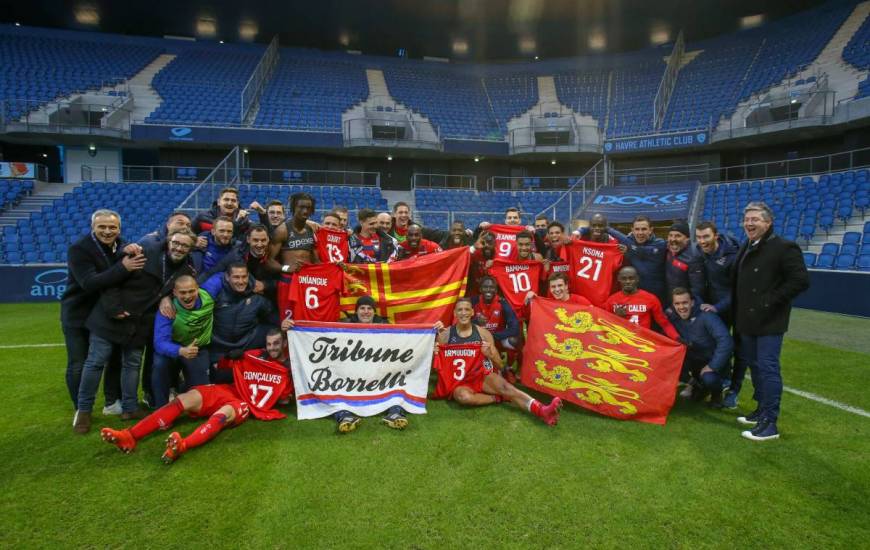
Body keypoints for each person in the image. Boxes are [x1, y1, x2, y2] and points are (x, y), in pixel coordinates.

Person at [74, 228, 198, 434]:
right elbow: (111, 281)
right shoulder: (143, 252)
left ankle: (130, 408)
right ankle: (84, 411)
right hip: (111, 316)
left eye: (184, 245)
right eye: (176, 243)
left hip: (140, 322)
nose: (179, 247)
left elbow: (171, 290)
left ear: (190, 249)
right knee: (96, 362)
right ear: (168, 241)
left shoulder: (186, 269)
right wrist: (113, 308)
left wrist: (164, 297)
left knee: (132, 364)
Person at [732, 202, 809, 441]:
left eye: (755, 219)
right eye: (746, 220)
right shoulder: (746, 245)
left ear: (768, 222)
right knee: (755, 368)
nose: (749, 223)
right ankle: (761, 411)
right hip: (747, 321)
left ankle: (770, 424)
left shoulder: (785, 247)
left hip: (769, 322)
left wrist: (768, 302)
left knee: (768, 369)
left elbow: (800, 281)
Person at [62, 210, 143, 414]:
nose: (107, 231)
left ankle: (111, 402)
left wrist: (128, 249)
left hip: (106, 314)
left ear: (119, 229)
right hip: (78, 314)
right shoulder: (79, 249)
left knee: (113, 359)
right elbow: (89, 283)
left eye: (112, 227)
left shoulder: (120, 245)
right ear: (93, 228)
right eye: (102, 227)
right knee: (79, 362)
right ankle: (80, 408)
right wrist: (123, 268)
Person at [434, 298, 562, 426]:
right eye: (460, 310)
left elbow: (500, 365)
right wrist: (435, 353)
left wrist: (490, 354)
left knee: (506, 387)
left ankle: (542, 410)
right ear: (455, 313)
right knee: (463, 397)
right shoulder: (445, 336)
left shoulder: (483, 334)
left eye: (467, 309)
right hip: (460, 381)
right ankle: (496, 398)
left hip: (481, 375)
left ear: (472, 312)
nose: (464, 313)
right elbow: (437, 367)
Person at [152, 275, 214, 408]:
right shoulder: (167, 309)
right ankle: (161, 408)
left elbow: (222, 274)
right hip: (175, 348)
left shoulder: (209, 295)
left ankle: (180, 389)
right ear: (174, 292)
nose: (187, 296)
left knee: (202, 396)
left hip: (197, 349)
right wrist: (180, 350)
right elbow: (159, 343)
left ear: (197, 289)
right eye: (183, 292)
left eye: (191, 291)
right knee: (159, 364)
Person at [667, 288, 733, 408]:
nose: (681, 307)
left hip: (712, 363)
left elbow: (726, 341)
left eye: (685, 302)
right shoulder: (673, 317)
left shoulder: (706, 316)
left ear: (692, 302)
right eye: (677, 303)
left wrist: (713, 366)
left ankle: (716, 396)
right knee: (669, 365)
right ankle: (697, 386)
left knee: (709, 378)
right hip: (693, 363)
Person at [603, 267, 679, 340]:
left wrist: (677, 338)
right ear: (619, 279)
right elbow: (605, 325)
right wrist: (616, 317)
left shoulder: (650, 299)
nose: (628, 281)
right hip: (622, 342)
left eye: (631, 278)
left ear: (637, 279)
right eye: (624, 278)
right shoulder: (611, 300)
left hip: (642, 342)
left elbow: (664, 323)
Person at [605, 215, 668, 304]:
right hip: (635, 297)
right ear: (632, 230)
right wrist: (580, 231)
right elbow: (598, 227)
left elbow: (639, 250)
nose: (640, 232)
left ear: (650, 230)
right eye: (637, 229)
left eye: (644, 229)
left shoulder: (660, 244)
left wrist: (629, 251)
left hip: (658, 298)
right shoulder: (629, 242)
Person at [470, 276, 521, 373]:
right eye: (485, 287)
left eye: (491, 287)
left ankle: (509, 366)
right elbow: (461, 323)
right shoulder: (473, 302)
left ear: (496, 290)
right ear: (480, 289)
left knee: (514, 340)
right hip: (478, 340)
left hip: (497, 338)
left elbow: (515, 328)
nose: (488, 290)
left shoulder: (503, 303)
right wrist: (476, 321)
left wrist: (493, 336)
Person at [268, 192, 317, 275]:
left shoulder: (312, 229)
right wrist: (286, 268)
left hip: (308, 280)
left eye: (308, 208)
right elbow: (269, 261)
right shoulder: (282, 230)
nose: (305, 211)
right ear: (294, 208)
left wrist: (333, 266)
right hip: (288, 280)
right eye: (301, 207)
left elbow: (315, 260)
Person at [665, 221, 704, 300]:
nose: (673, 239)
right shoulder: (667, 248)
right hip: (669, 298)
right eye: (670, 235)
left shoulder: (694, 256)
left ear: (687, 238)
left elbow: (697, 288)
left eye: (678, 236)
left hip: (683, 302)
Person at [526, 272, 592, 306]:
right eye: (553, 287)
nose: (557, 289)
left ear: (566, 286)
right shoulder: (549, 305)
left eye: (560, 285)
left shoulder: (581, 301)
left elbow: (596, 314)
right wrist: (529, 299)